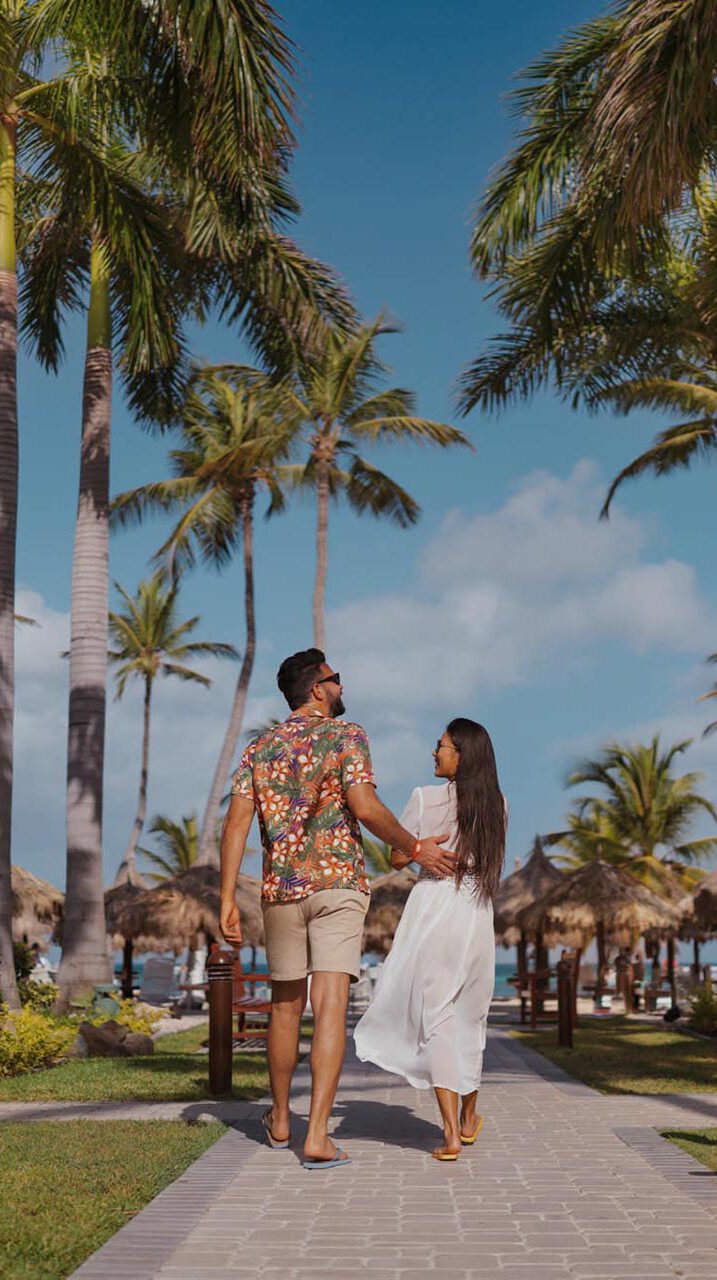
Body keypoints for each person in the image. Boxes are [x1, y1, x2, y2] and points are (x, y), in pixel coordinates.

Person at [220, 648, 456, 1170]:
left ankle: (280, 1119)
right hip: (338, 885)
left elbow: (234, 826)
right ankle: (318, 1136)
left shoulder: (259, 747)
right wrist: (415, 848)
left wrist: (224, 899)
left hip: (280, 891)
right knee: (329, 1006)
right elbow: (365, 806)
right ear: (317, 688)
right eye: (336, 679)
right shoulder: (347, 736)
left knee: (285, 1007)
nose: (342, 686)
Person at [354, 718, 506, 1162]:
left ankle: (452, 1134)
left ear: (462, 752)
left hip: (433, 906)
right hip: (475, 909)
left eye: (440, 746)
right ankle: (467, 1118)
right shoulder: (498, 804)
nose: (434, 753)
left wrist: (421, 844)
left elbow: (399, 857)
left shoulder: (424, 797)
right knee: (472, 1014)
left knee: (437, 1016)